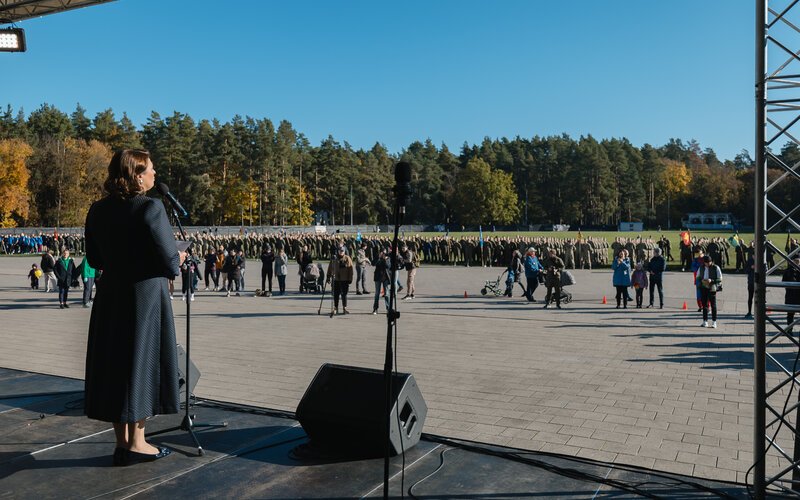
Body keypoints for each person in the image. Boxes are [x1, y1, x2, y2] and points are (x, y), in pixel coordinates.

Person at [84, 149, 181, 466]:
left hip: (111, 294)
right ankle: (138, 442)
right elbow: (169, 261)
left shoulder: (97, 210)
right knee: (142, 362)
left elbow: (96, 259)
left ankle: (122, 442)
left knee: (116, 364)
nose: (155, 174)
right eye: (151, 169)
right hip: (145, 296)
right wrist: (178, 258)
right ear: (138, 175)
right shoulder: (151, 208)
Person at [327, 245, 354, 316]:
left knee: (344, 295)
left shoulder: (347, 258)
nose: (341, 252)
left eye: (342, 251)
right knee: (336, 294)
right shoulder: (334, 258)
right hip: (336, 279)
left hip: (345, 279)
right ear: (338, 251)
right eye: (340, 251)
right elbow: (330, 267)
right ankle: (336, 308)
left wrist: (350, 279)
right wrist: (328, 276)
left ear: (344, 251)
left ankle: (344, 308)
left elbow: (351, 270)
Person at [697, 255, 722, 328]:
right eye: (706, 263)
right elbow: (698, 277)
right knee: (704, 305)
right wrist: (701, 280)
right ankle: (705, 321)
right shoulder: (701, 268)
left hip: (712, 287)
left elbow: (720, 278)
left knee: (713, 305)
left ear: (711, 262)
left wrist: (712, 280)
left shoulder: (716, 268)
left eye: (709, 262)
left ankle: (714, 322)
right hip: (703, 287)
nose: (707, 264)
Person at [783, 256, 800, 332]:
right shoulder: (788, 271)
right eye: (795, 261)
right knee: (790, 314)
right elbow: (783, 282)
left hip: (798, 295)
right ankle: (789, 329)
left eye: (798, 261)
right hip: (790, 295)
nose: (797, 262)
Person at [372, 250, 391, 314]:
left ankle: (388, 308)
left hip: (385, 277)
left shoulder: (387, 258)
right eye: (381, 253)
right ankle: (375, 308)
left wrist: (385, 259)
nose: (382, 254)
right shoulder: (377, 258)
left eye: (384, 253)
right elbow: (373, 264)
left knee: (386, 294)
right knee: (377, 293)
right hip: (377, 277)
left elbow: (388, 266)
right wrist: (378, 258)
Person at [744, 252, 755, 319]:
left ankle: (760, 312)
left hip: (759, 283)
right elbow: (745, 270)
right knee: (750, 298)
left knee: (760, 299)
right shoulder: (749, 261)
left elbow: (766, 270)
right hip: (751, 282)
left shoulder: (761, 260)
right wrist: (751, 267)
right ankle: (749, 312)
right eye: (753, 256)